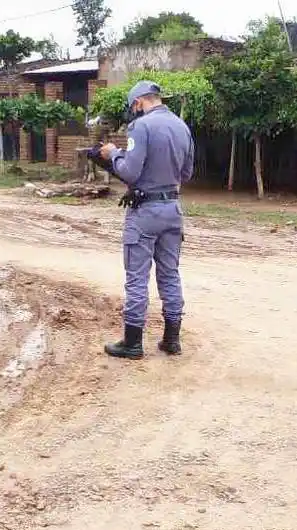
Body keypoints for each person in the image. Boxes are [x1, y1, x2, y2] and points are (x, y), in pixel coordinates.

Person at [98, 80, 194, 359]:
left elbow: (129, 171)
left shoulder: (140, 127)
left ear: (139, 102)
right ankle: (172, 340)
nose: (134, 111)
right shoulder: (182, 127)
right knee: (170, 274)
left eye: (134, 107)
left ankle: (132, 343)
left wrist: (113, 154)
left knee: (137, 278)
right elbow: (186, 174)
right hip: (172, 209)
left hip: (145, 212)